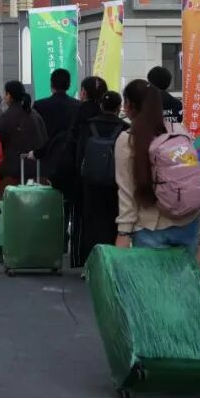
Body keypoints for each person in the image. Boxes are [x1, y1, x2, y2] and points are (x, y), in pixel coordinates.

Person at [115, 79, 200, 253]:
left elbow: (126, 190)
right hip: (189, 223)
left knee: (152, 272)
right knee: (186, 272)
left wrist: (124, 231)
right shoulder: (177, 130)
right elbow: (193, 174)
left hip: (151, 227)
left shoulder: (127, 139)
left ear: (129, 105)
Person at [73, 90, 129, 267]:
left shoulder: (88, 126)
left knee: (91, 222)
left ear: (101, 106)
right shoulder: (124, 128)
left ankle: (90, 263)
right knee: (113, 221)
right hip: (116, 184)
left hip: (91, 182)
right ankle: (110, 262)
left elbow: (79, 155)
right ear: (119, 107)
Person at [60, 75, 109, 268]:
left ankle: (82, 259)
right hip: (108, 176)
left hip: (83, 175)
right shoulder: (106, 113)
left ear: (84, 92)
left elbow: (72, 144)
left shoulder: (79, 111)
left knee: (82, 217)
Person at [0, 80, 47, 188]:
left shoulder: (4, 118)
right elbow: (44, 141)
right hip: (38, 174)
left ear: (9, 95)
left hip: (12, 176)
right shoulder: (36, 116)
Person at [34, 68, 81, 144]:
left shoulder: (39, 105)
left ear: (51, 84)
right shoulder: (78, 105)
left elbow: (36, 133)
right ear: (69, 85)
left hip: (46, 150)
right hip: (71, 150)